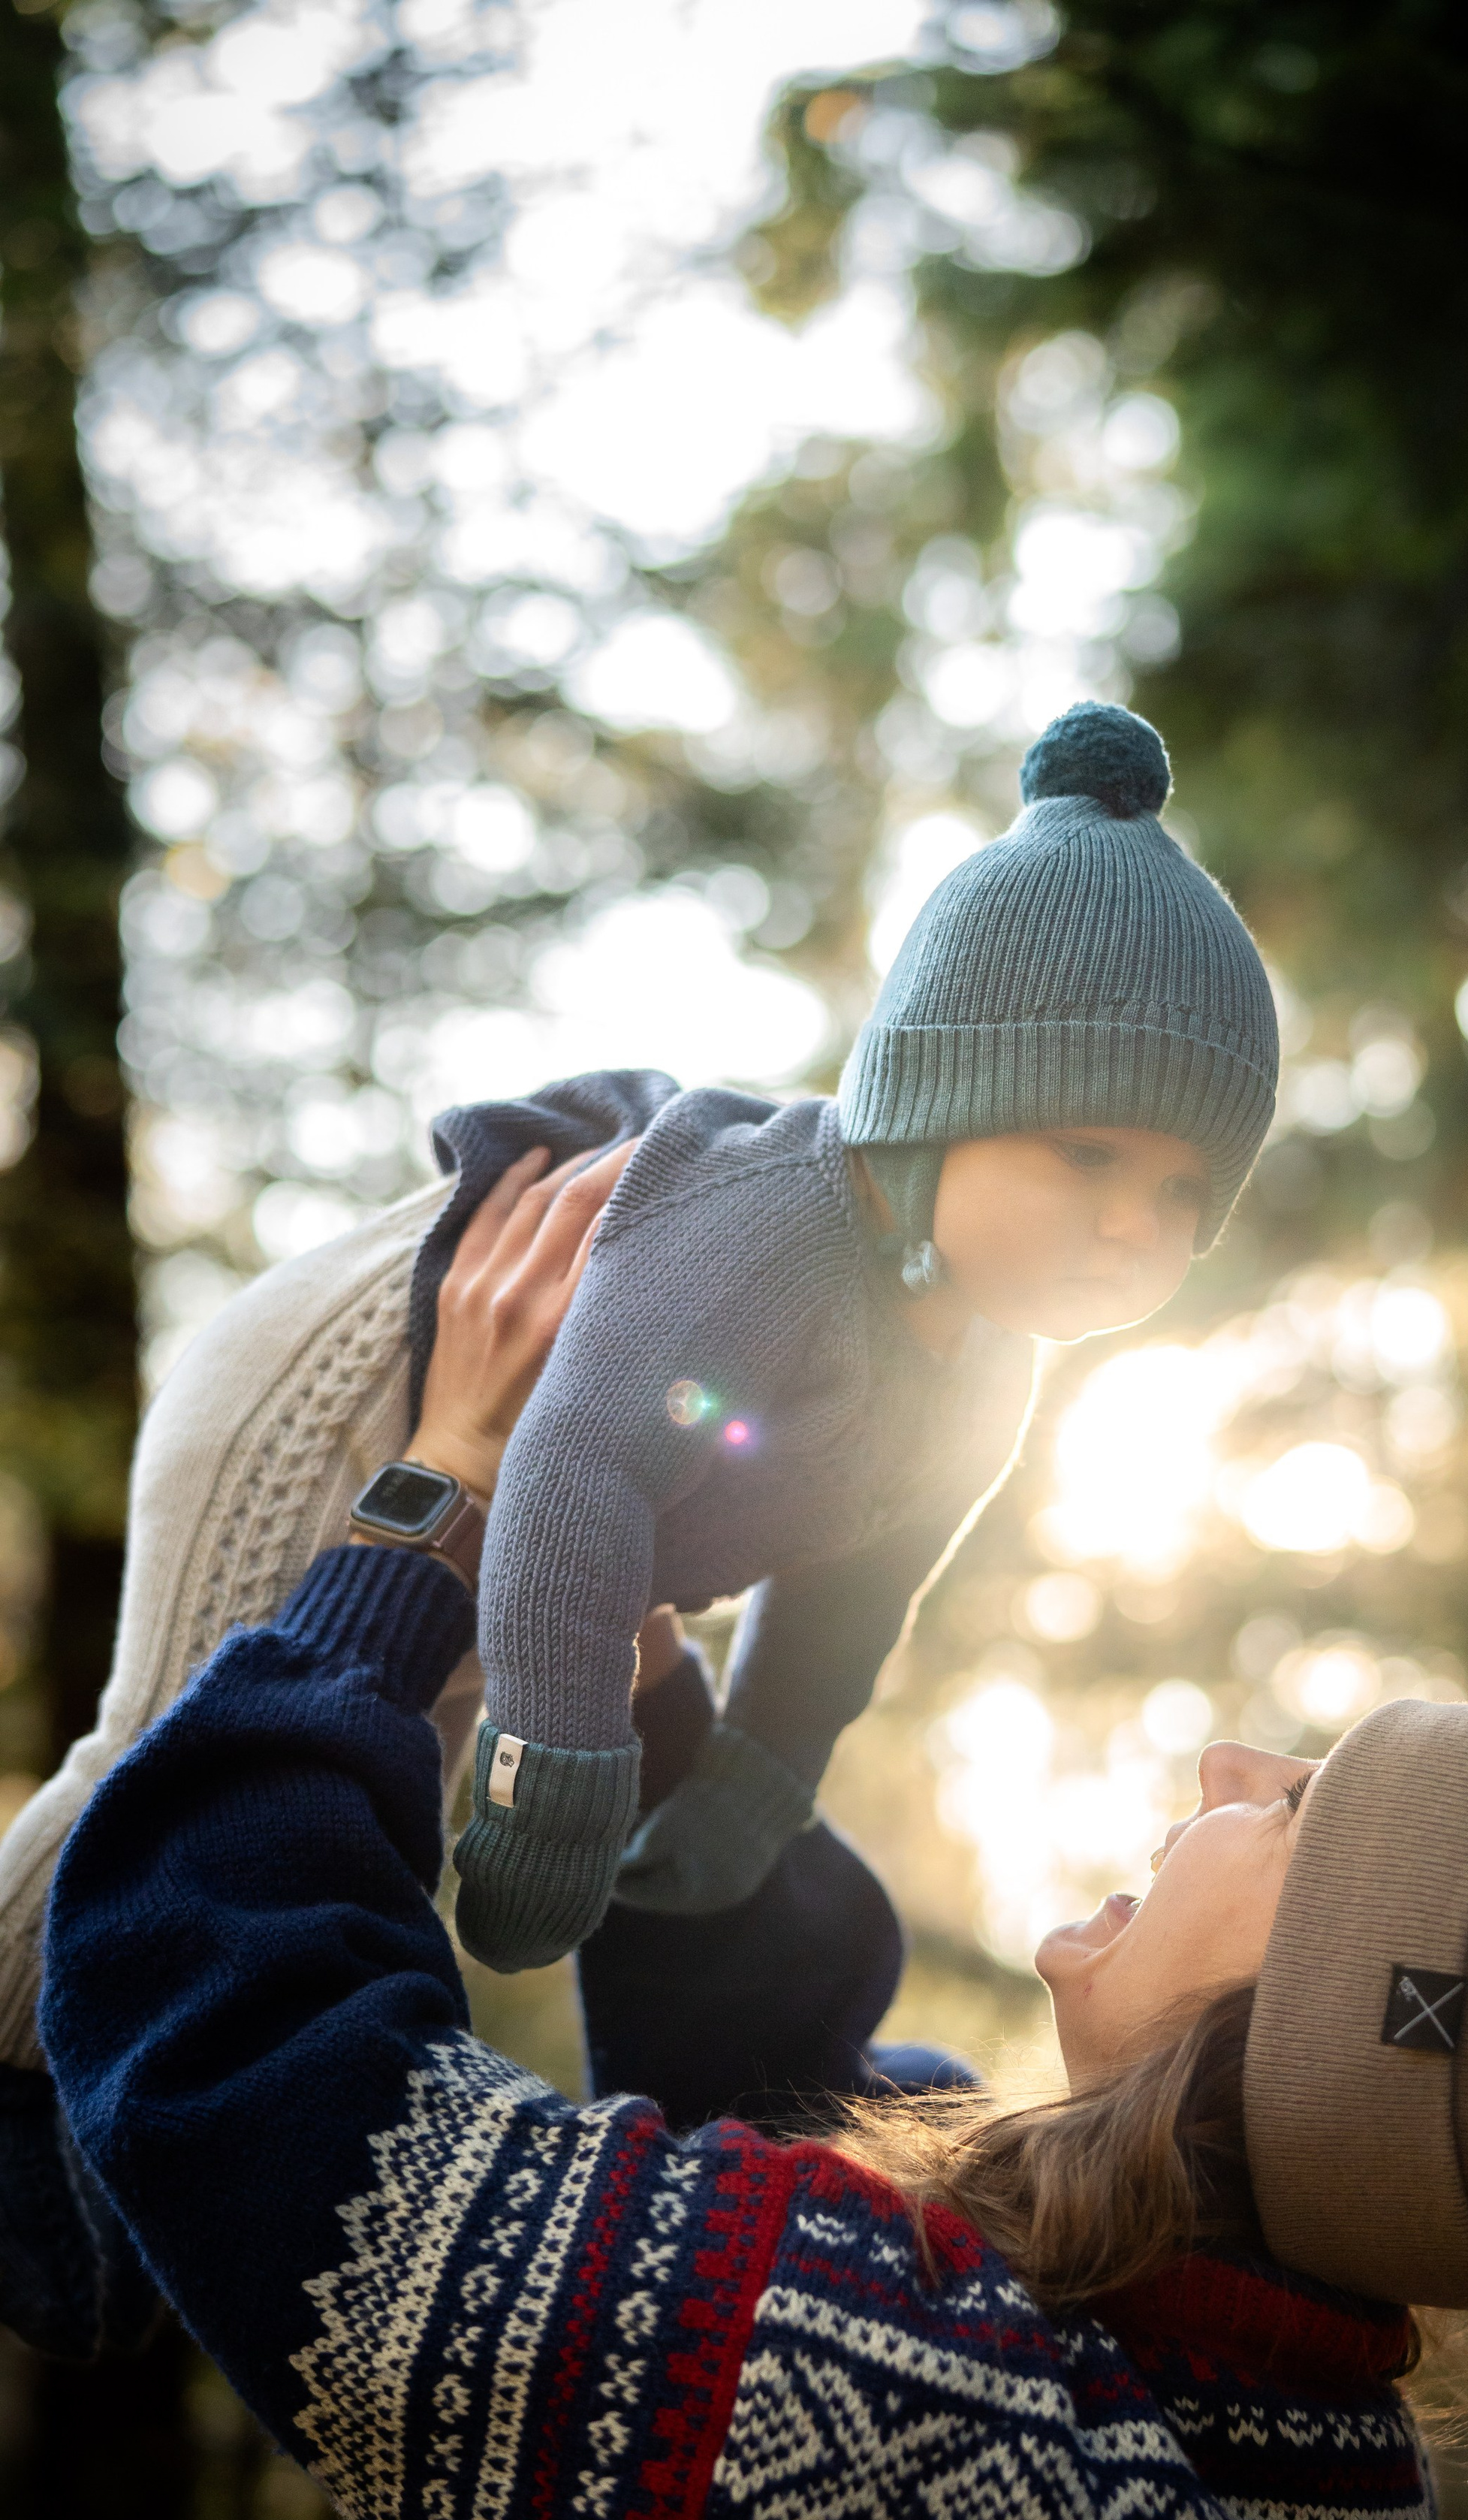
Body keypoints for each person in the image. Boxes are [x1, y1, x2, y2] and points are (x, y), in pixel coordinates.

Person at [38, 1150, 1468, 2520]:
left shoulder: (966, 2478)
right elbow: (822, 2113)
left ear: (1336, 2030)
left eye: (1303, 1806)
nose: (1226, 1758)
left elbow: (241, 2048)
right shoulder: (1297, 2494)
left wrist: (425, 1507)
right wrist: (659, 1701)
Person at [0, 696, 1280, 2336]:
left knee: (348, 1831)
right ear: (932, 1101)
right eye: (1086, 1149)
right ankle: (26, 2088)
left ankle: (98, 2208)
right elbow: (581, 1466)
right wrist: (552, 1781)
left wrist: (752, 1786)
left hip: (516, 1551)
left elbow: (852, 1595)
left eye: (1181, 1196)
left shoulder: (987, 1373)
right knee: (169, 1767)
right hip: (349, 1400)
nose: (1129, 1227)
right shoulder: (763, 1224)